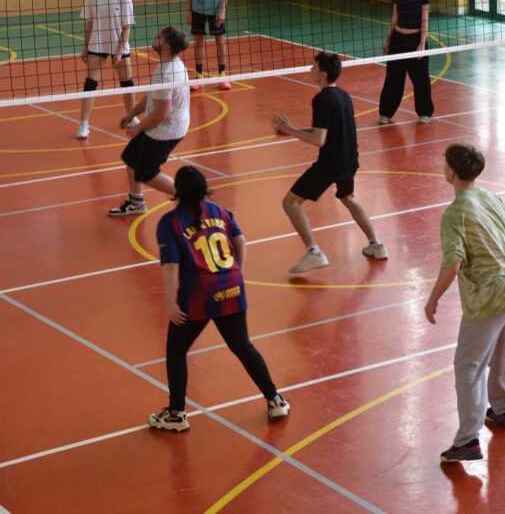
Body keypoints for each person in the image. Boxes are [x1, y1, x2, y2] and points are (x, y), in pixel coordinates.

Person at [148, 166, 289, 432]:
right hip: (231, 287)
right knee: (242, 346)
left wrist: (170, 302)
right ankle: (275, 400)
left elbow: (171, 266)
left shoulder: (170, 222)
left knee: (176, 350)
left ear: (177, 191)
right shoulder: (221, 211)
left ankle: (176, 413)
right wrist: (237, 273)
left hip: (198, 294)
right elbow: (241, 241)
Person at [424, 143, 505, 462]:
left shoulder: (454, 213)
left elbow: (453, 263)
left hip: (488, 295)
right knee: (502, 351)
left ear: (452, 172)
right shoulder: (492, 198)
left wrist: (432, 300)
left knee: (468, 365)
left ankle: (468, 439)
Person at [272, 51, 387, 274]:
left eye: (314, 67)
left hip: (331, 163)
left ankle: (314, 253)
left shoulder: (321, 99)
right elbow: (325, 130)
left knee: (290, 202)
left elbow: (319, 139)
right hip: (350, 160)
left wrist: (290, 130)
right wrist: (292, 130)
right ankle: (377, 244)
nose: (310, 70)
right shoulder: (343, 95)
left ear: (323, 74)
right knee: (348, 198)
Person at [108, 26, 191, 217]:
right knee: (131, 158)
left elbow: (161, 112)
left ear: (167, 46)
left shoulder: (167, 73)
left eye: (159, 37)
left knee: (146, 173)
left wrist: (138, 128)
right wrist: (132, 113)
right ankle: (136, 203)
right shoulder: (168, 64)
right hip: (163, 125)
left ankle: (189, 199)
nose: (155, 38)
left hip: (166, 130)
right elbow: (154, 96)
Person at [75, 0, 137, 139]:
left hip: (119, 45)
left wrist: (120, 50)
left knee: (127, 83)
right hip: (97, 44)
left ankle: (131, 117)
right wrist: (85, 46)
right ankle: (83, 124)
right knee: (90, 85)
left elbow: (127, 27)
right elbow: (89, 24)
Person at [377, 0, 434, 125]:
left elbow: (425, 20)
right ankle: (385, 113)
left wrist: (422, 43)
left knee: (420, 78)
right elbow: (395, 17)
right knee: (393, 77)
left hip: (415, 39)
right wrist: (388, 39)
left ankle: (425, 112)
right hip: (398, 39)